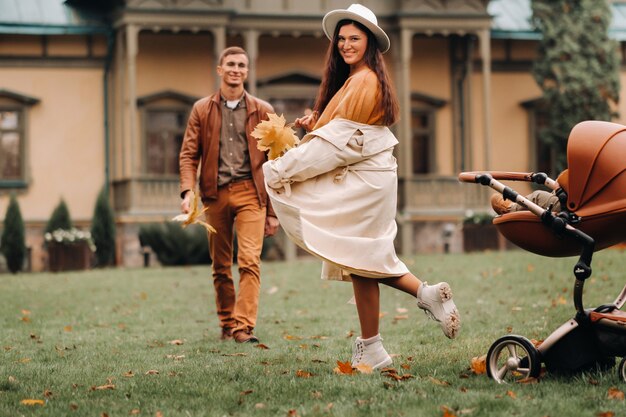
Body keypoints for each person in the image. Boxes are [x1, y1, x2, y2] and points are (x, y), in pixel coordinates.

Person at [262, 4, 460, 370]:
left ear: (369, 42)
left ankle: (420, 297)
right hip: (371, 176)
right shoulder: (362, 81)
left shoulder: (362, 80)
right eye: (341, 39)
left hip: (365, 182)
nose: (346, 45)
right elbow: (346, 134)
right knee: (359, 258)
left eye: (355, 38)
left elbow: (333, 147)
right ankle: (376, 344)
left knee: (364, 256)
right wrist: (316, 125)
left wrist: (279, 170)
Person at [179, 46, 280, 344]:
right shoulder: (202, 109)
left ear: (247, 72)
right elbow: (188, 155)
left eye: (241, 65)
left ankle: (243, 327)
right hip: (215, 194)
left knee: (249, 261)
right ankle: (227, 322)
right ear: (220, 70)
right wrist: (188, 191)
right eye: (230, 64)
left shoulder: (263, 111)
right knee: (221, 265)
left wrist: (273, 212)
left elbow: (276, 163)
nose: (236, 69)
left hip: (251, 193)